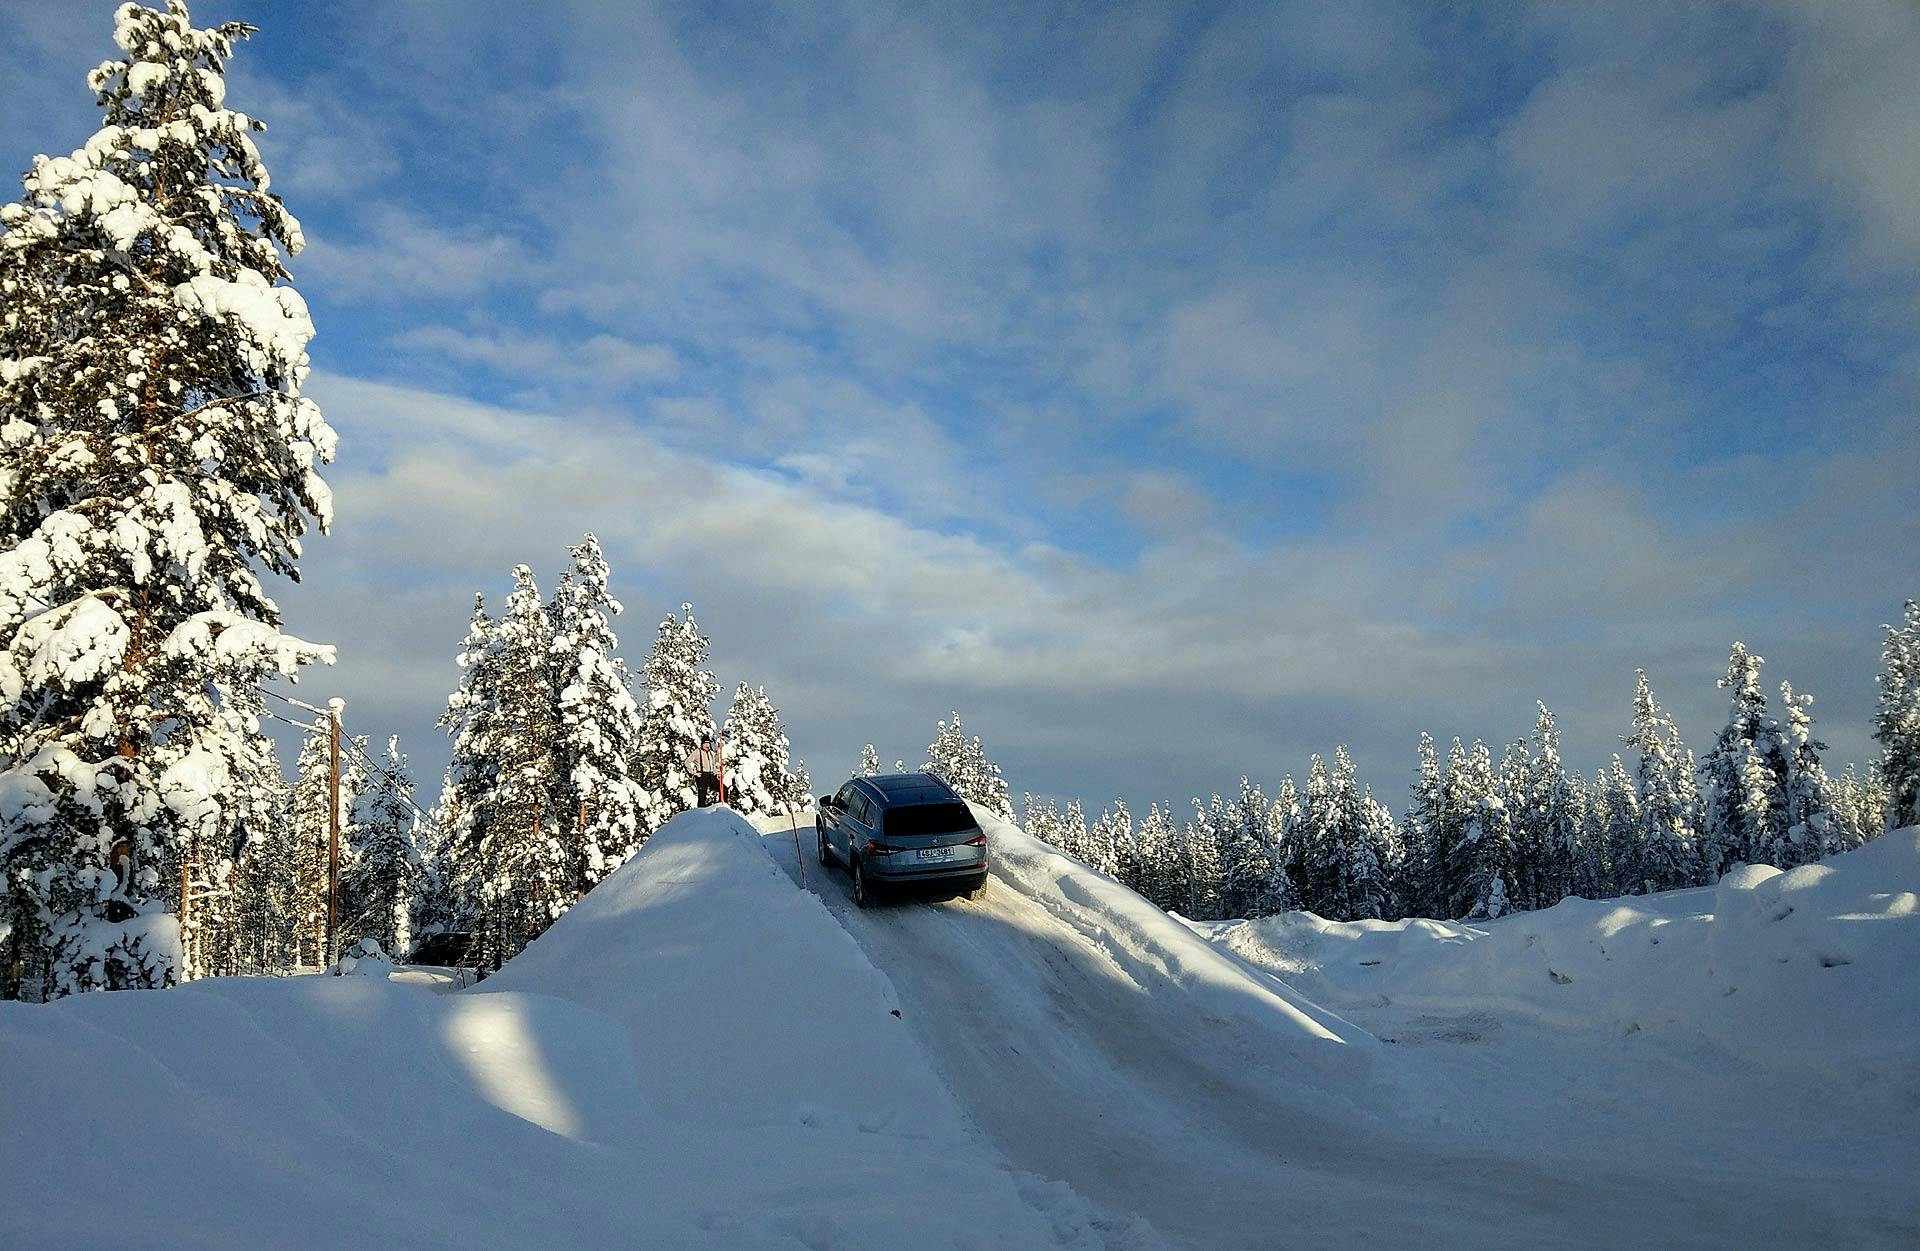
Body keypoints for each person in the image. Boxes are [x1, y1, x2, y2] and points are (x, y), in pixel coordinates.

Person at [694, 734, 722, 807]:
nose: (707, 745)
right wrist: (694, 772)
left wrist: (716, 773)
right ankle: (701, 812)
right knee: (702, 795)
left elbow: (715, 758)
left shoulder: (710, 753)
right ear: (702, 744)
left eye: (708, 743)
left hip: (711, 775)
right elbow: (687, 762)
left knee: (723, 788)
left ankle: (721, 806)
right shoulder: (697, 752)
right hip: (702, 775)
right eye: (705, 743)